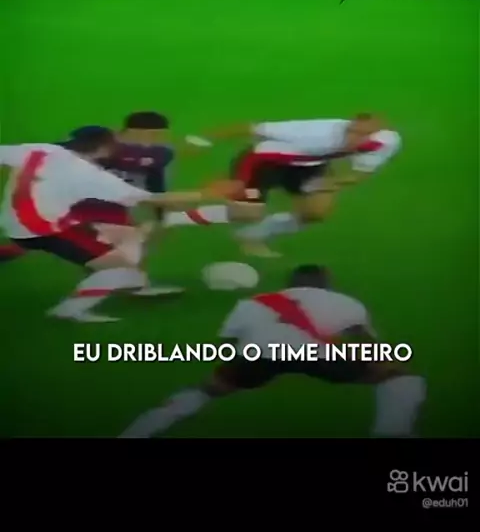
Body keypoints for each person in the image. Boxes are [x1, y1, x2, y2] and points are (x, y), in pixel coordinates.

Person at [119, 264, 426, 438]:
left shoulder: (253, 302)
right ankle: (392, 431)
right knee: (398, 377)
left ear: (289, 285)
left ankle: (137, 432)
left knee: (209, 388)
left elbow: (228, 346)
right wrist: (381, 366)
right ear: (327, 285)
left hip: (259, 354)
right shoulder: (345, 302)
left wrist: (229, 376)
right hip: (319, 355)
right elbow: (370, 346)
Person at [0, 130, 237, 322]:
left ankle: (131, 282)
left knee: (128, 235)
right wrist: (206, 193)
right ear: (104, 149)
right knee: (122, 270)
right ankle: (69, 310)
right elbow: (151, 199)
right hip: (47, 230)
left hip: (18, 223)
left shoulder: (38, 149)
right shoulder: (86, 174)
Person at [154, 114, 402, 257]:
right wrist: (203, 139)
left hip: (309, 166)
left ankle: (252, 236)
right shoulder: (313, 132)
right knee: (247, 213)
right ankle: (167, 217)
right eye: (353, 133)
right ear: (348, 126)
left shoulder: (382, 143)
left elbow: (359, 174)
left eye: (362, 138)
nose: (355, 141)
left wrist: (330, 183)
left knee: (316, 212)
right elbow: (250, 128)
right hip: (264, 163)